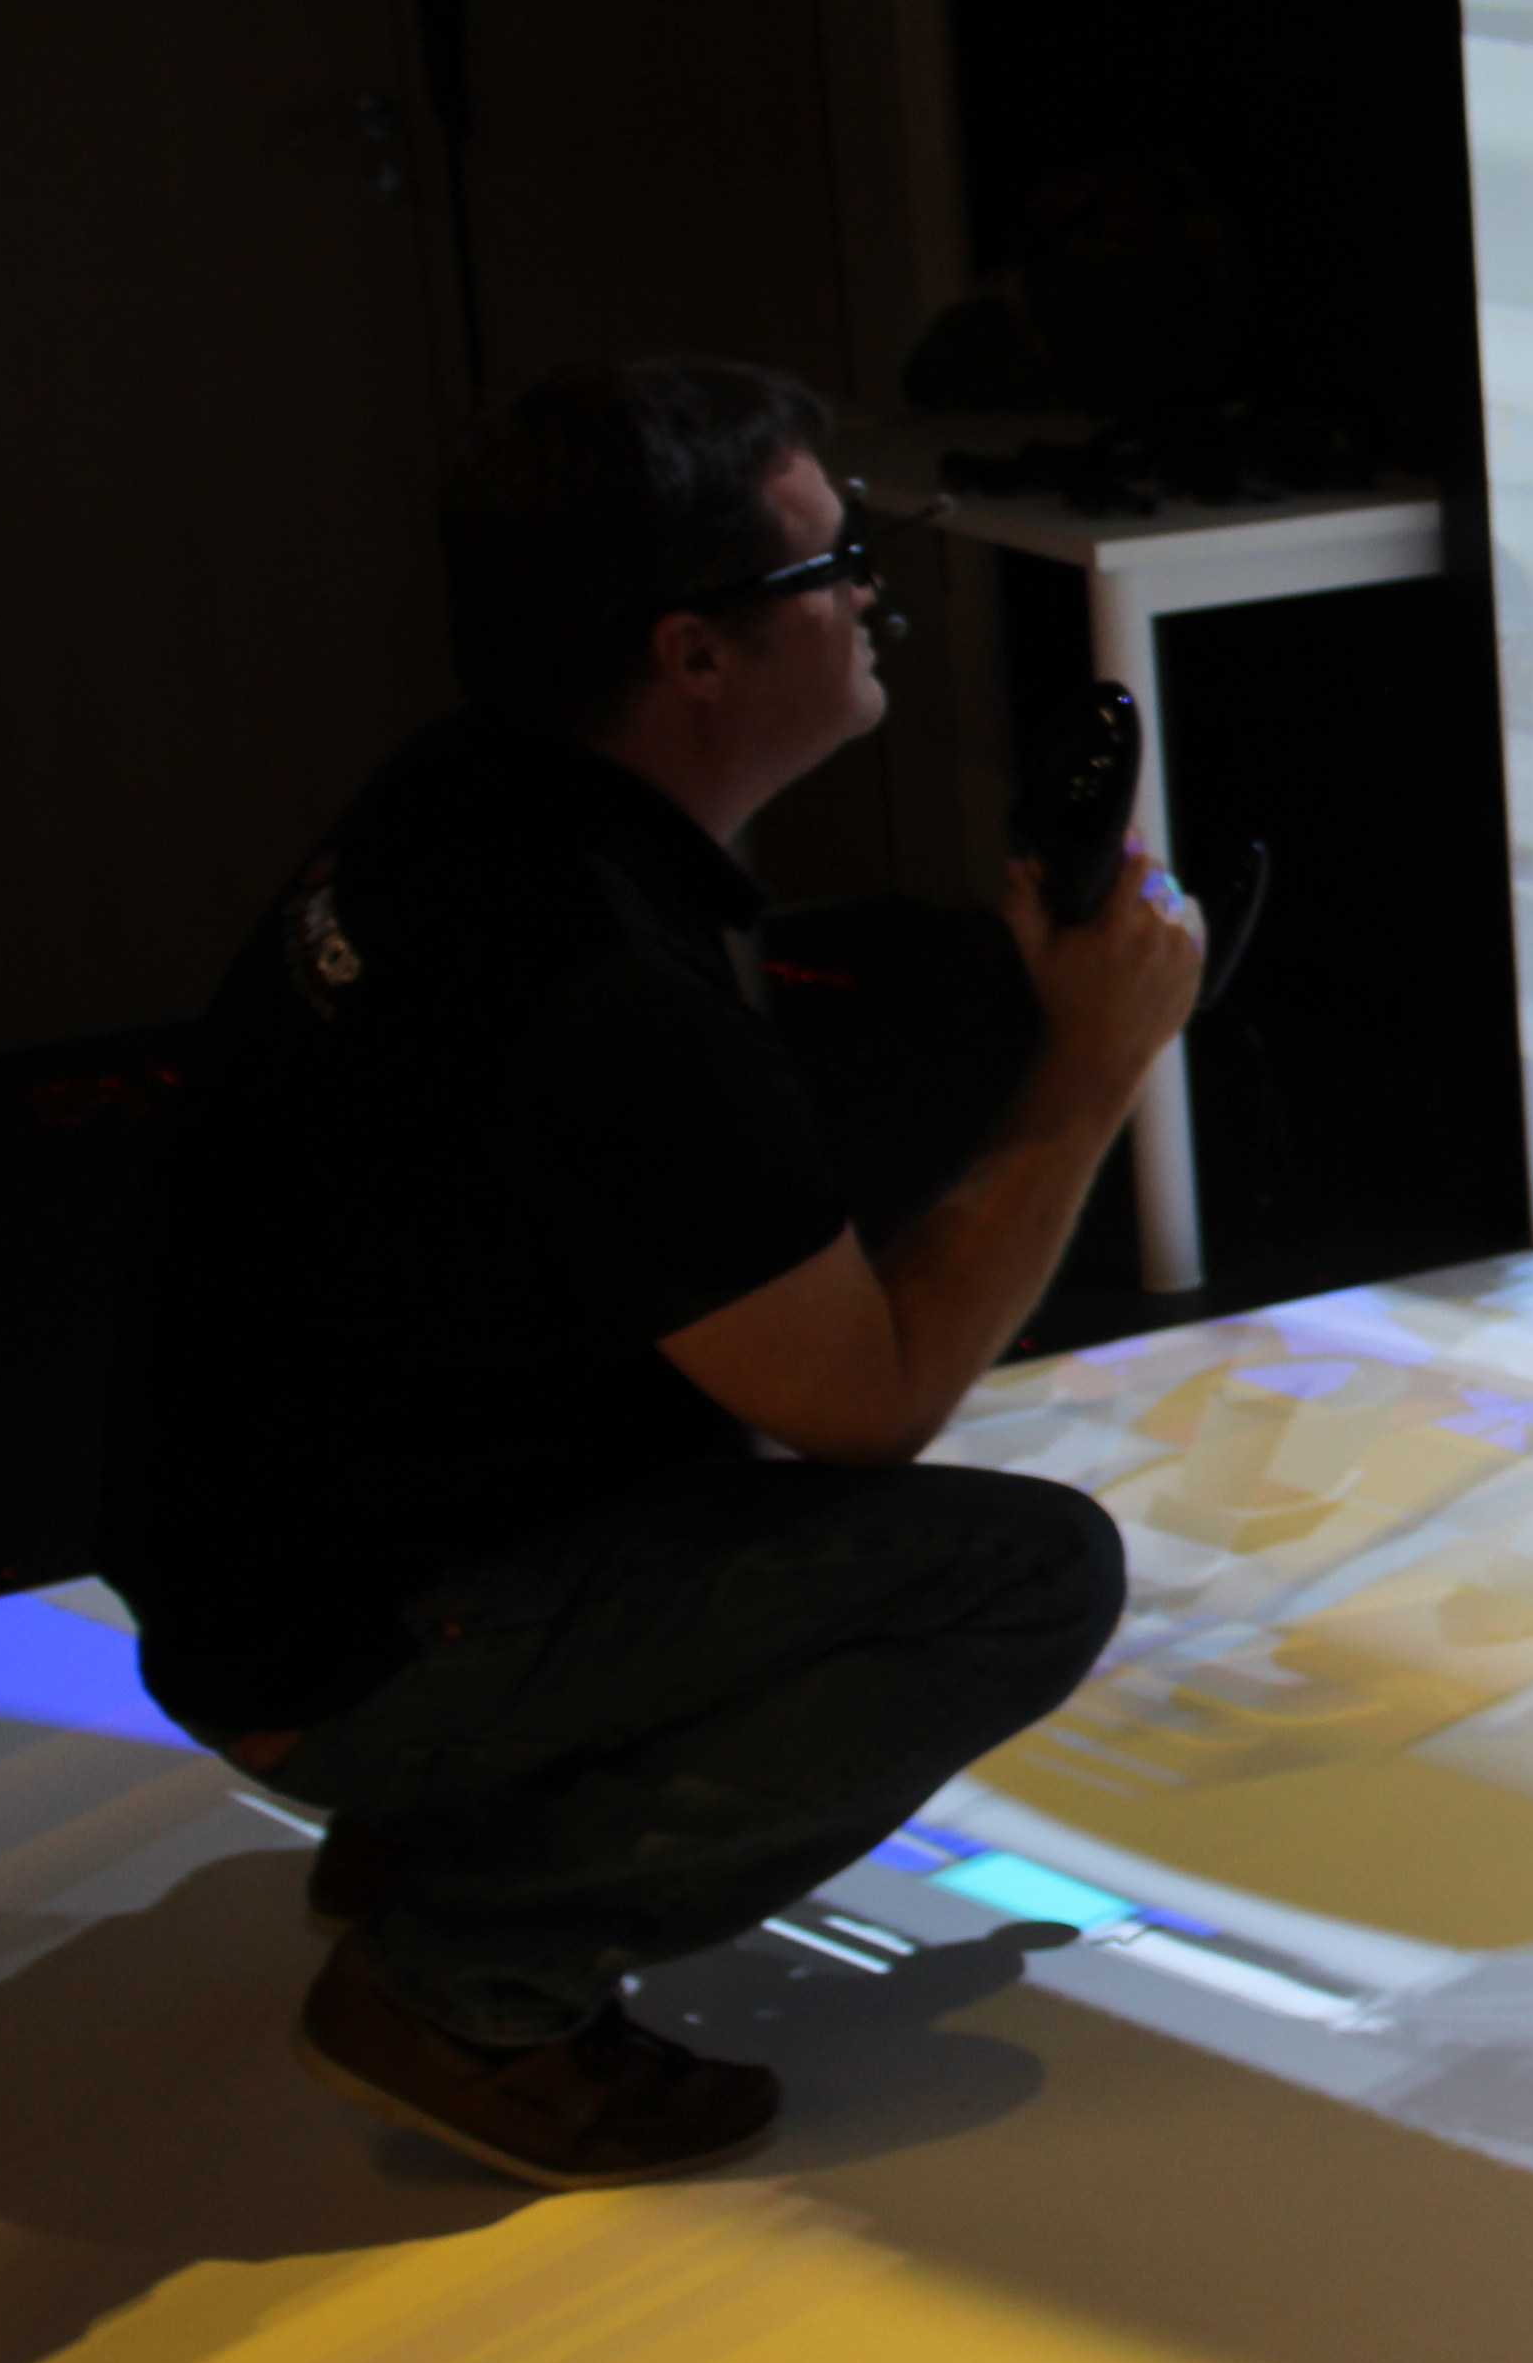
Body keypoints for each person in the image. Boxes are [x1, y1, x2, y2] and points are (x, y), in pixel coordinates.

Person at [96, 354, 1203, 2190]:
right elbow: (871, 1407)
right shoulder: (599, 991)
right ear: (693, 653)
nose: (874, 596)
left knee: (729, 1417)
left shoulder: (467, 796)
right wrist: (1092, 1070)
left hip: (257, 1570)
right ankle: (470, 1978)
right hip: (342, 1648)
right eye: (836, 564)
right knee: (1018, 1580)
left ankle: (451, 1812)